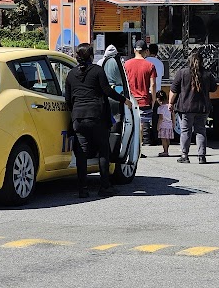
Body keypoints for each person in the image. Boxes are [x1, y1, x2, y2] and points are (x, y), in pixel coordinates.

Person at [65, 43, 132, 198]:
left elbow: (68, 99)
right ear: (91, 56)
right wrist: (124, 100)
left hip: (78, 118)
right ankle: (104, 187)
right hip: (97, 117)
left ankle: (82, 189)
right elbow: (107, 91)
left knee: (81, 153)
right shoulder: (97, 71)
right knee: (103, 150)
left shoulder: (71, 74)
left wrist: (76, 112)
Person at [169, 51, 217, 163]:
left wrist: (170, 103)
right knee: (201, 131)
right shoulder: (207, 74)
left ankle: (184, 156)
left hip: (185, 108)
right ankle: (201, 156)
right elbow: (214, 88)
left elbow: (174, 90)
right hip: (202, 108)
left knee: (185, 131)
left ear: (189, 61)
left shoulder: (182, 73)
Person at [124, 40, 157, 156]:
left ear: (134, 50)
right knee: (141, 126)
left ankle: (129, 149)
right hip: (144, 100)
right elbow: (153, 84)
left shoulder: (126, 64)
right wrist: (153, 99)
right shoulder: (150, 66)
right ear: (146, 51)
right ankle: (138, 150)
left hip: (130, 100)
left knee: (129, 125)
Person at [154, 89, 174, 157]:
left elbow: (161, 118)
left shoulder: (160, 108)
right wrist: (173, 123)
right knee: (167, 139)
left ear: (159, 100)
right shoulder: (170, 107)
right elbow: (173, 116)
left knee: (163, 139)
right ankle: (167, 150)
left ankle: (165, 151)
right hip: (169, 125)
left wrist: (158, 126)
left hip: (163, 126)